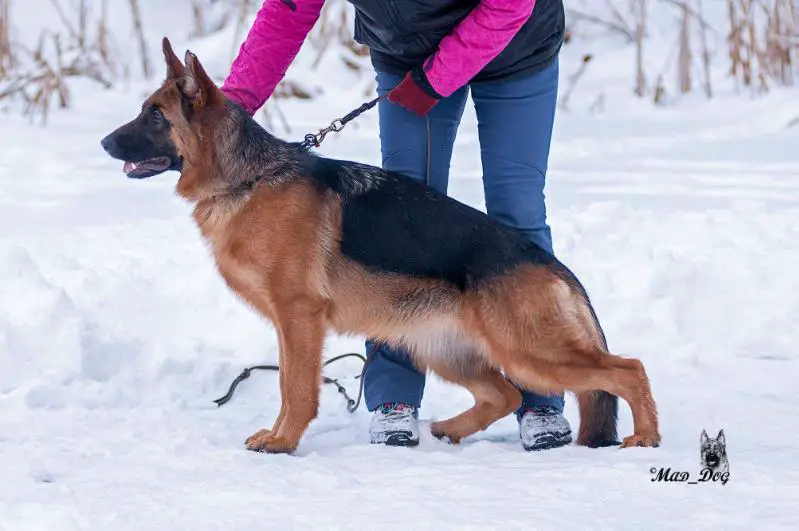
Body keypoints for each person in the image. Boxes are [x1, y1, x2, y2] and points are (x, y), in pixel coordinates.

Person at [222, 0, 570, 451]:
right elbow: (288, 11)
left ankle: (541, 395)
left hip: (518, 47)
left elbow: (509, 5)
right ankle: (394, 397)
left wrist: (437, 78)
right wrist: (228, 109)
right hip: (407, 52)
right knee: (400, 215)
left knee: (517, 212)